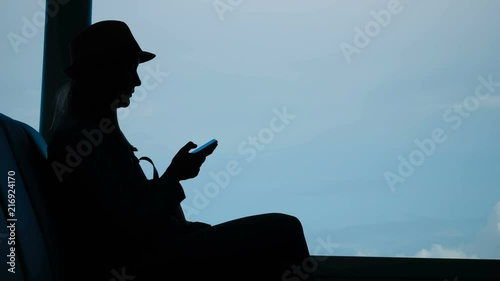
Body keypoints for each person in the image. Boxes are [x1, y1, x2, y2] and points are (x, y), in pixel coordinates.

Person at [47, 20, 314, 281]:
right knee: (284, 230)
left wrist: (173, 181)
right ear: (104, 71)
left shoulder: (86, 137)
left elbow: (127, 214)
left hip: (155, 254)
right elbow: (126, 229)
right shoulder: (80, 141)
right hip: (148, 263)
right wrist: (173, 177)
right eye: (130, 69)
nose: (138, 81)